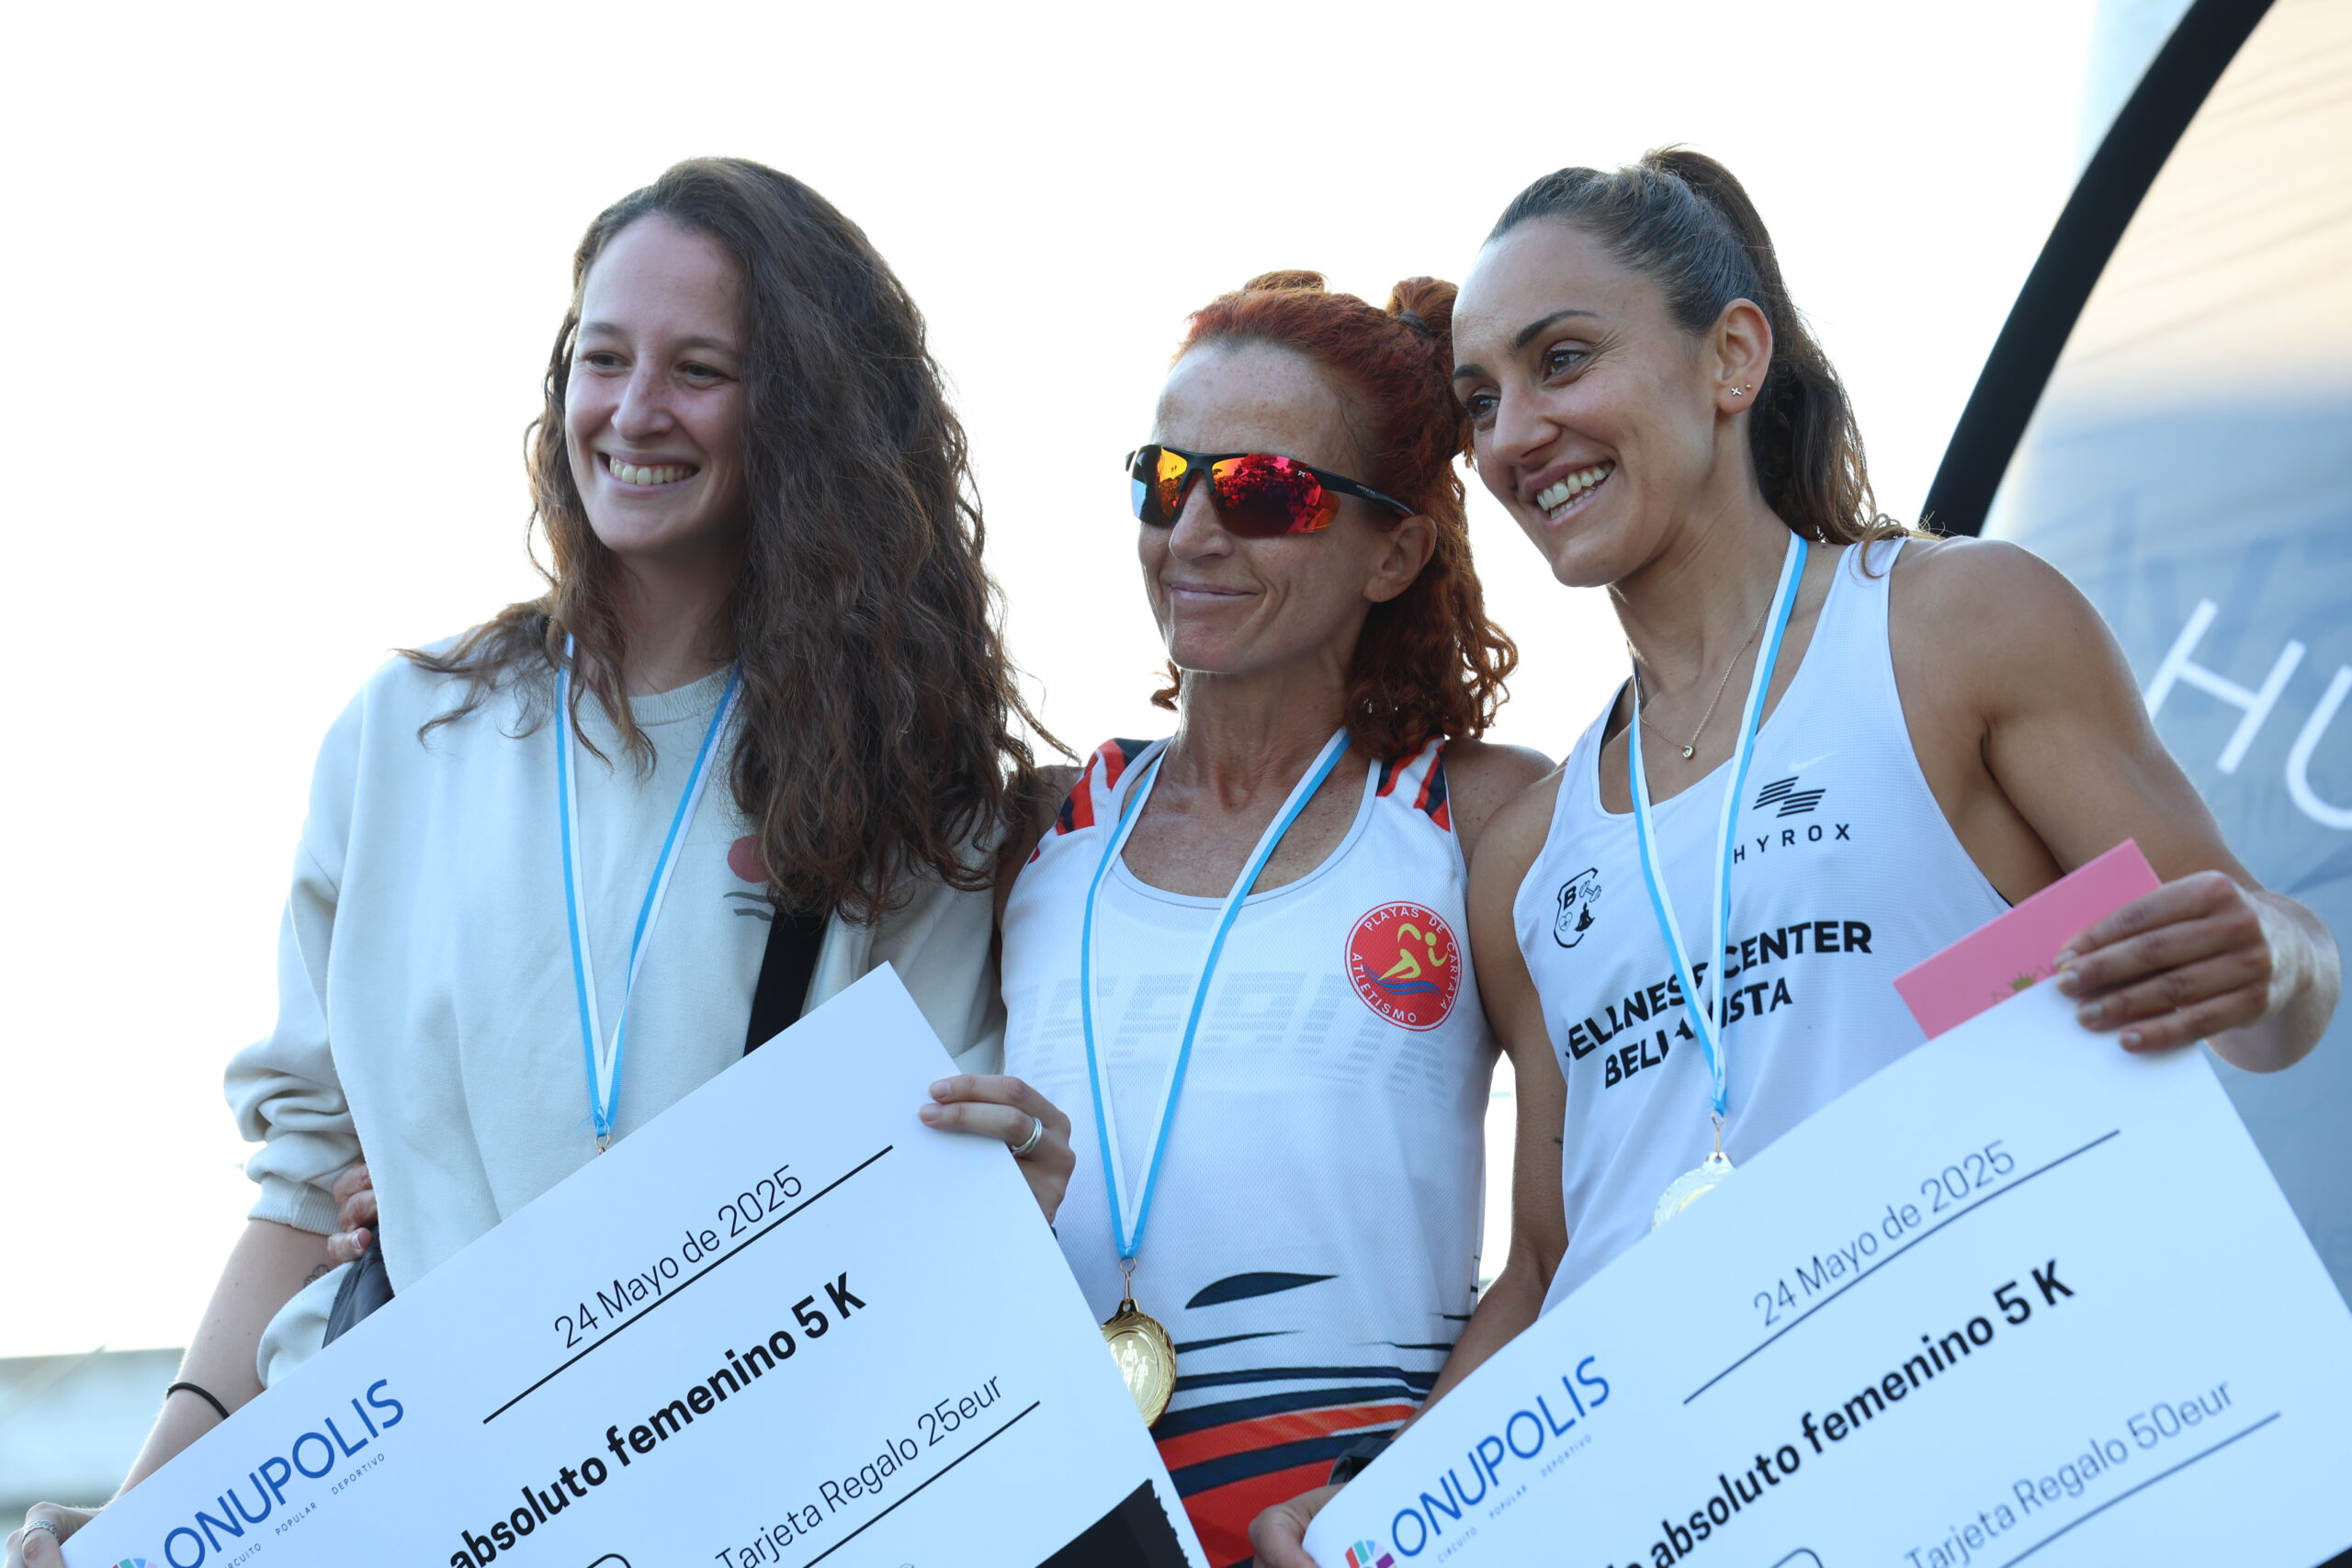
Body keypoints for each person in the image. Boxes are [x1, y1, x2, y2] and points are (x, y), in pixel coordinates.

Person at [1248, 147, 2343, 1564]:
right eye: (1481, 400)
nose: (1517, 433)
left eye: (1562, 360)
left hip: (2013, 1472)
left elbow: (2267, 983)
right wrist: (1379, 1507)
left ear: (1732, 357)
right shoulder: (1526, 850)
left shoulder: (1951, 627)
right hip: (1713, 1517)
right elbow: (1549, 1267)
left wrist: (2271, 955)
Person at [6, 157, 1075, 1566]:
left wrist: (1013, 1193)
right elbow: (304, 1183)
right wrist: (139, 1517)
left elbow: (911, 1220)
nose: (633, 412)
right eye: (603, 358)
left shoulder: (906, 784)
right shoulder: (408, 734)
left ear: (808, 410)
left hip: (736, 1515)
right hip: (411, 1523)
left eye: (700, 369)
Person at [999, 270, 1552, 1567]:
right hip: (1062, 1525)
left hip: (1352, 1539)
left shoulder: (1480, 819)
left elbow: (1556, 1249)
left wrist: (1406, 1504)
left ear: (1394, 552)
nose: (1192, 532)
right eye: (1165, 480)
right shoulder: (1035, 831)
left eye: (1262, 494)